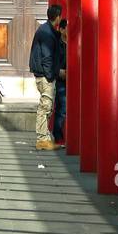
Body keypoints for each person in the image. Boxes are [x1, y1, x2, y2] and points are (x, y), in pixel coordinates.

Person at [29, 4, 63, 151]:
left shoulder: (46, 30)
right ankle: (42, 139)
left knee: (47, 106)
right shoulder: (47, 33)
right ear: (57, 17)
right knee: (45, 106)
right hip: (45, 75)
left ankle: (45, 137)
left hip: (43, 73)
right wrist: (51, 75)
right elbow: (47, 57)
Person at [52, 18, 68, 147]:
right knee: (62, 108)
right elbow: (51, 62)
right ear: (61, 29)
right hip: (61, 80)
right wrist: (59, 72)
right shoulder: (56, 44)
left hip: (75, 80)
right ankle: (58, 136)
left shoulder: (74, 43)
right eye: (66, 28)